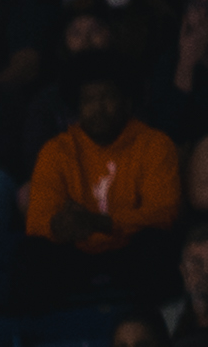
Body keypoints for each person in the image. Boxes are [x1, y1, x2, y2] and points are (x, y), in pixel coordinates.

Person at [22, 58, 182, 305]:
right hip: (77, 254)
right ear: (77, 108)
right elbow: (36, 221)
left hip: (130, 252)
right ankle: (41, 329)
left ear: (127, 103)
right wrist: (59, 225)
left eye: (107, 97)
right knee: (31, 254)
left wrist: (101, 223)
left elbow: (163, 212)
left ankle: (154, 323)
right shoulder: (56, 150)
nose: (98, 108)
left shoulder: (154, 144)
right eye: (88, 100)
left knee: (159, 245)